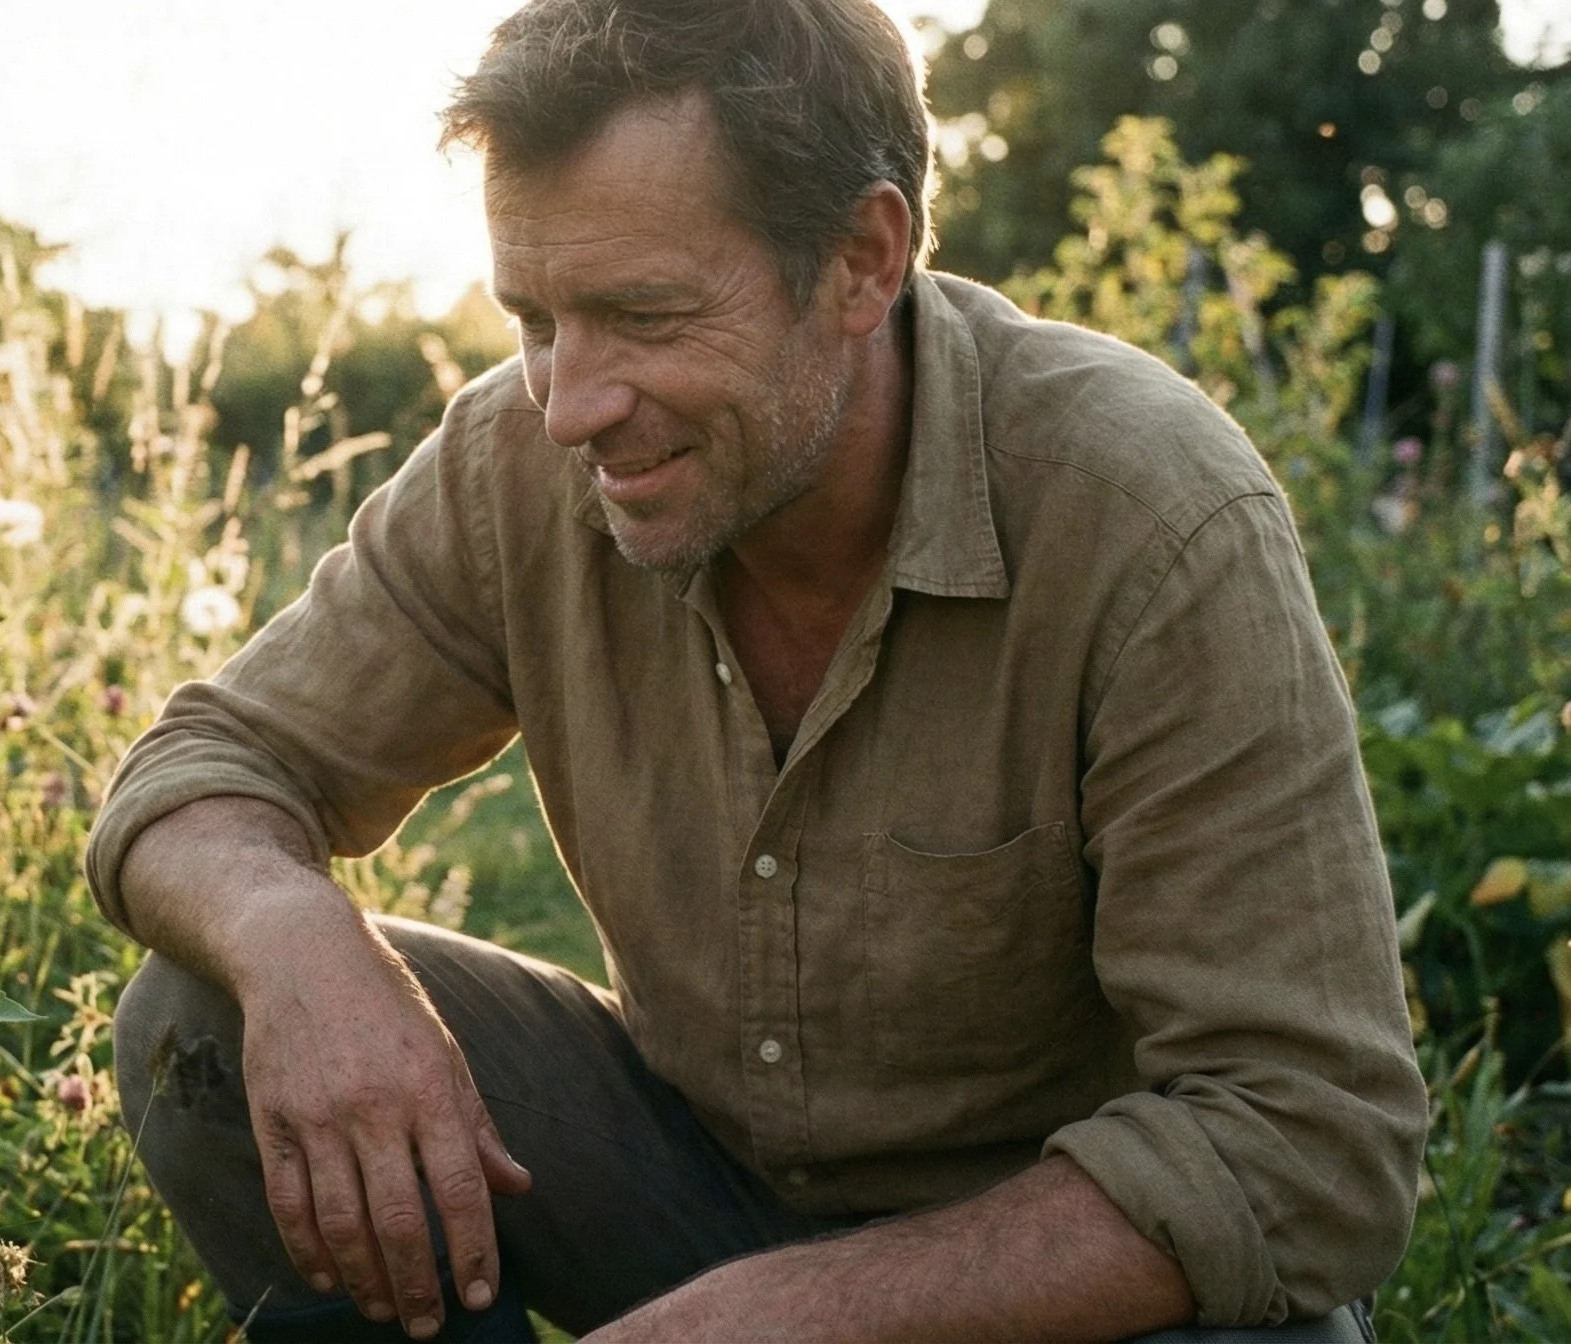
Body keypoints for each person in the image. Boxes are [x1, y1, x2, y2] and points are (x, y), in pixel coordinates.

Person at [85, 0, 1426, 1339]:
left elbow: (1306, 1143)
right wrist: (294, 939)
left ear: (862, 258)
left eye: (644, 313)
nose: (572, 403)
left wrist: (791, 1316)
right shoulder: (523, 464)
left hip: (1065, 1273)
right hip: (701, 1200)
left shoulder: (1149, 513)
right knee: (200, 1018)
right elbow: (203, 774)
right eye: (534, 316)